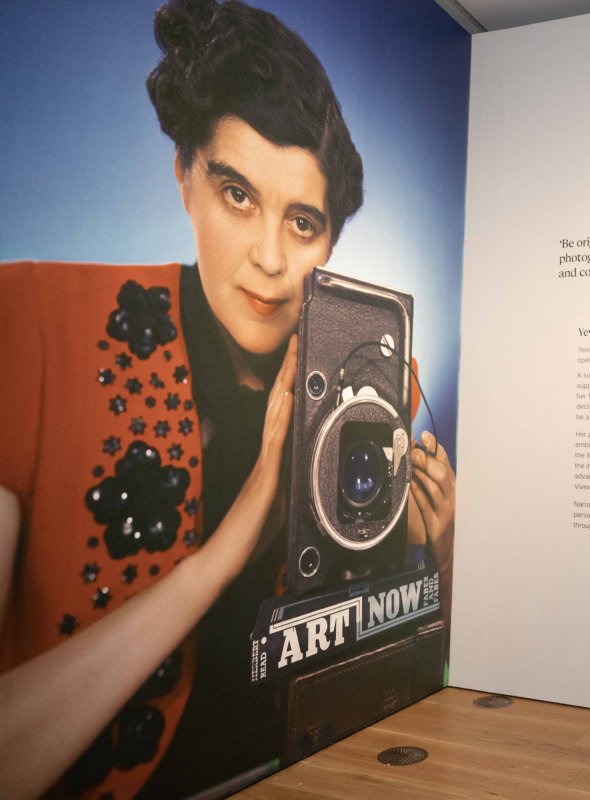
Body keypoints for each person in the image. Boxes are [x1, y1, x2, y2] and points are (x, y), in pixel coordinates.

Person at [0, 2, 456, 798]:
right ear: (184, 176)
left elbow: (406, 679)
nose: (270, 257)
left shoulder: (374, 389)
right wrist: (224, 554)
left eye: (303, 221)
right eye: (237, 193)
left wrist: (438, 556)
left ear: (330, 242)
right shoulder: (35, 325)